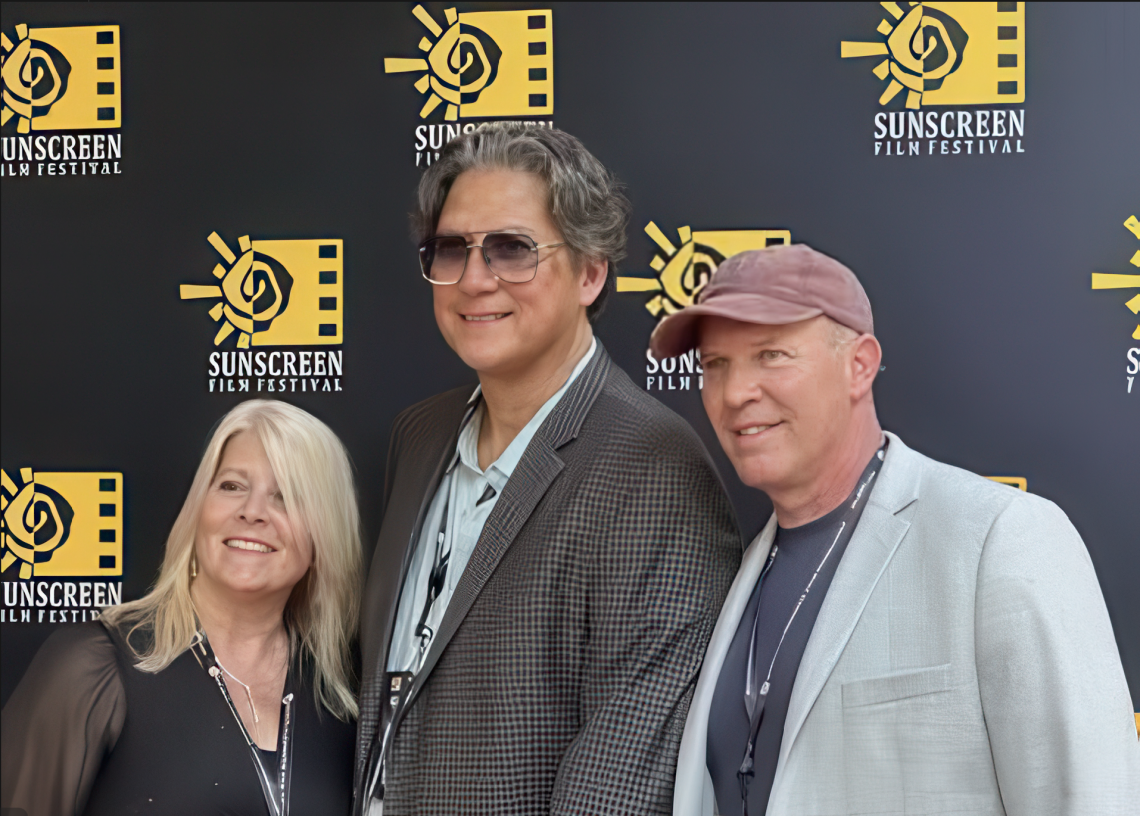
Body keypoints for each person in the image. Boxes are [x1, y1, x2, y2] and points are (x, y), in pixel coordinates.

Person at [652, 245, 1140, 816]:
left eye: (772, 355)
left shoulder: (1000, 537)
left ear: (859, 365)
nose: (736, 393)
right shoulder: (737, 572)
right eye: (716, 365)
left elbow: (1090, 799)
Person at [354, 122, 741, 816]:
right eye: (452, 250)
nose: (475, 279)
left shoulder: (655, 466)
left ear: (590, 273)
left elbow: (622, 781)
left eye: (511, 250)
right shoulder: (420, 435)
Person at [1, 399, 362, 816]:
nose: (252, 512)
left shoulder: (343, 698)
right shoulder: (94, 665)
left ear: (324, 538)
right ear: (198, 511)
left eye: (287, 496)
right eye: (232, 486)